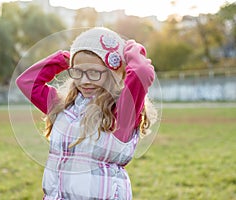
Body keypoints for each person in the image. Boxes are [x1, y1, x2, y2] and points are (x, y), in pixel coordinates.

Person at [16, 27, 155, 200]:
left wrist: (132, 49)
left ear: (113, 73)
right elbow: (26, 82)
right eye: (78, 71)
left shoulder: (120, 111)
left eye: (94, 72)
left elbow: (142, 72)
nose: (84, 80)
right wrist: (64, 59)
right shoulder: (62, 106)